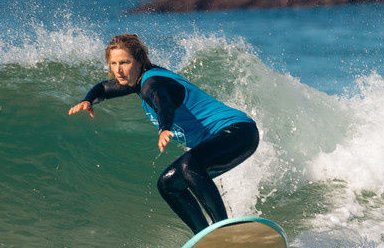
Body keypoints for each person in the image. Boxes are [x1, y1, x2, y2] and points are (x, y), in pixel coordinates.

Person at [68, 33, 260, 234]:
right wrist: (88, 100)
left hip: (238, 131)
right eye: (113, 63)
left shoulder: (152, 83)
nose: (118, 70)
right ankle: (204, 236)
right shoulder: (135, 80)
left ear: (140, 61)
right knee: (168, 184)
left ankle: (223, 227)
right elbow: (104, 88)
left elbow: (163, 102)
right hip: (228, 137)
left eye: (124, 62)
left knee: (189, 165)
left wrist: (164, 127)